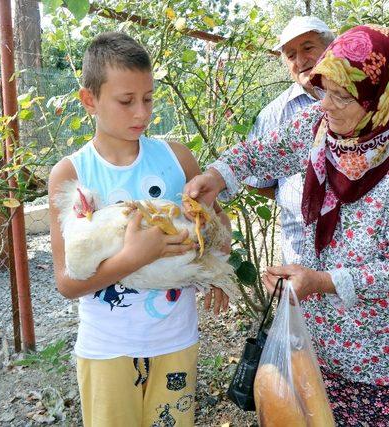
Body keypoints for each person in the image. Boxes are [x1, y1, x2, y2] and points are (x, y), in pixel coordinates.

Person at [185, 25, 389, 424]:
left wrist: (321, 281)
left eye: (342, 96)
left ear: (381, 98)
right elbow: (259, 153)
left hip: (373, 347)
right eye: (324, 90)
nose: (326, 104)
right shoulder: (318, 127)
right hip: (312, 336)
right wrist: (217, 177)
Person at [48, 32, 229, 427]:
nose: (141, 113)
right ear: (89, 100)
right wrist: (134, 258)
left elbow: (217, 229)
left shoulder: (176, 157)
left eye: (148, 98)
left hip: (175, 340)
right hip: (107, 347)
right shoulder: (72, 174)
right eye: (126, 101)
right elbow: (67, 283)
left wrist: (213, 266)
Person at [245, 16, 334, 265]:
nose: (300, 60)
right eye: (291, 55)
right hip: (299, 257)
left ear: (330, 48)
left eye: (308, 48)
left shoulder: (360, 99)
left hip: (354, 263)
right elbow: (255, 180)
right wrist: (295, 196)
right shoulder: (274, 114)